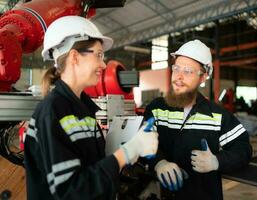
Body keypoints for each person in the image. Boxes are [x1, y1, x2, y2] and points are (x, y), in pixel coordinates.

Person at [24, 16, 158, 200]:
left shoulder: (84, 110)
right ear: (75, 57)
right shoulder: (53, 112)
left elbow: (90, 170)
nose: (103, 64)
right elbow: (71, 192)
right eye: (99, 55)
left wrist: (117, 151)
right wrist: (125, 153)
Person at [144, 40, 252, 200]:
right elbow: (143, 141)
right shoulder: (157, 109)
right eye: (176, 68)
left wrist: (217, 161)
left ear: (203, 77)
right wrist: (159, 162)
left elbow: (243, 149)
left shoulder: (217, 115)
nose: (178, 77)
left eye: (187, 71)